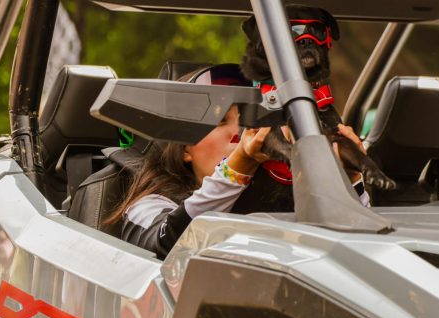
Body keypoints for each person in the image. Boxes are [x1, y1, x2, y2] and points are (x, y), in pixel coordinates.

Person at [107, 66, 369, 259]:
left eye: (249, 122)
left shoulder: (294, 201)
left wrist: (347, 181)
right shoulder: (151, 204)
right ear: (185, 147)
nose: (239, 134)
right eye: (220, 121)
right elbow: (165, 247)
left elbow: (359, 252)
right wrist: (240, 164)